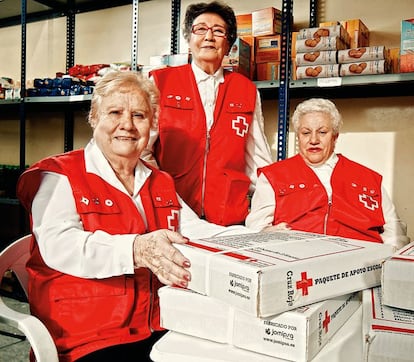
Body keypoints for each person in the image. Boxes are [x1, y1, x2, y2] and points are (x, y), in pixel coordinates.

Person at [16, 70, 252, 362]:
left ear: (152, 125)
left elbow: (194, 230)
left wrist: (256, 237)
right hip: (88, 335)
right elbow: (59, 245)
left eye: (139, 115)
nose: (126, 125)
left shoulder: (159, 180)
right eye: (114, 112)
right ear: (94, 118)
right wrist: (136, 249)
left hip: (156, 324)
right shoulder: (61, 176)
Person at [143, 1, 273, 226]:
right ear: (189, 38)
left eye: (219, 31)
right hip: (172, 212)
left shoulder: (247, 90)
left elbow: (258, 160)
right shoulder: (161, 82)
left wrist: (262, 220)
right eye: (200, 29)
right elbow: (143, 151)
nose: (209, 36)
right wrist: (162, 192)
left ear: (230, 42)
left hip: (228, 217)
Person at [246, 98, 410, 250]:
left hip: (362, 264)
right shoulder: (273, 176)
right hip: (299, 262)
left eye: (322, 132)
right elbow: (256, 229)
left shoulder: (368, 178)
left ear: (335, 137)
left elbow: (394, 229)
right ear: (298, 137)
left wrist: (386, 255)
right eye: (306, 133)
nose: (314, 140)